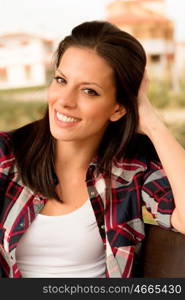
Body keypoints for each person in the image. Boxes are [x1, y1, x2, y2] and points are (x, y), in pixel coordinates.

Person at [0, 20, 185, 278]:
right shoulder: (6, 156)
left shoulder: (132, 167)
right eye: (61, 80)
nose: (64, 101)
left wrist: (152, 122)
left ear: (118, 108)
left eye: (89, 91)